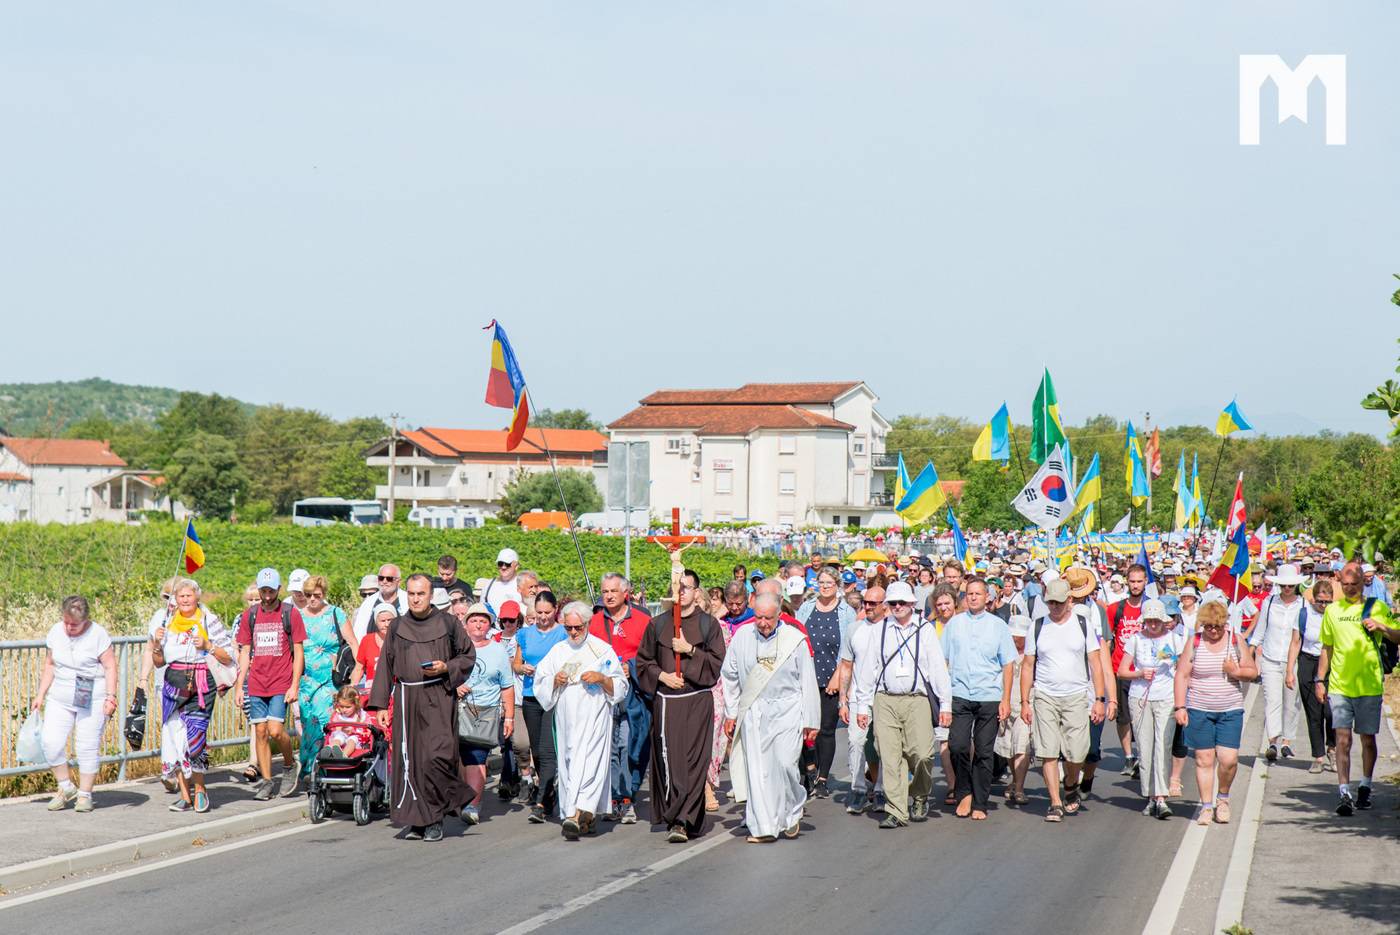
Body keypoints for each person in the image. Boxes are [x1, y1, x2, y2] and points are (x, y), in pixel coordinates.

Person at [367, 573, 476, 842]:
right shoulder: (397, 626)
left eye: (421, 594)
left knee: (437, 757)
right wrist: (381, 703)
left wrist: (446, 667)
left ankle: (437, 815)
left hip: (438, 695)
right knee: (410, 760)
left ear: (430, 596)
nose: (416, 599)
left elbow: (468, 656)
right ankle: (418, 821)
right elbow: (386, 664)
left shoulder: (448, 623)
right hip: (406, 697)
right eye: (412, 594)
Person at [850, 580, 952, 828]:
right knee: (890, 757)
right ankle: (895, 810)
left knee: (922, 755)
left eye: (902, 602)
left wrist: (946, 704)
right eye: (893, 603)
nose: (897, 606)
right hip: (885, 699)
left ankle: (919, 794)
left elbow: (938, 669)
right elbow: (868, 670)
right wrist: (863, 706)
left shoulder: (924, 629)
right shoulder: (879, 630)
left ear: (912, 604)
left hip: (917, 699)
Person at [635, 568, 726, 842]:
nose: (681, 591)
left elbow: (716, 664)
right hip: (669, 702)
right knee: (672, 764)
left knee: (695, 764)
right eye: (677, 586)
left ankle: (685, 820)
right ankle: (677, 819)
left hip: (697, 701)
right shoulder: (658, 624)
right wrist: (663, 676)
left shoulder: (709, 625)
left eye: (686, 587)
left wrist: (691, 651)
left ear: (697, 592)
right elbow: (643, 662)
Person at [722, 593, 820, 843]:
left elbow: (807, 681)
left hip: (788, 709)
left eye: (768, 617)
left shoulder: (794, 640)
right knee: (759, 769)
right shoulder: (742, 637)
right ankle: (764, 826)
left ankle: (793, 810)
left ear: (780, 615)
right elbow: (730, 676)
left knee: (786, 764)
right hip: (755, 711)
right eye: (758, 617)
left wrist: (811, 720)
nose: (763, 622)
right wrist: (731, 713)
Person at [534, 601, 629, 840]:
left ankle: (576, 815)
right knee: (569, 760)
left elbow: (620, 685)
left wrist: (601, 678)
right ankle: (583, 815)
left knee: (590, 762)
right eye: (569, 628)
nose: (574, 633)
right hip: (567, 718)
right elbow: (541, 680)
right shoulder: (558, 650)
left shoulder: (602, 649)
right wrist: (555, 680)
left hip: (595, 715)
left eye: (578, 628)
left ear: (587, 624)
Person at [1020, 578, 1106, 823]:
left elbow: (1096, 663)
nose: (1055, 607)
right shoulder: (1037, 626)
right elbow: (1028, 666)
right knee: (1048, 752)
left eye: (1059, 602)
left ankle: (1070, 784)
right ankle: (1055, 802)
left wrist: (1099, 699)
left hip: (1076, 696)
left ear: (1070, 600)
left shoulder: (1082, 624)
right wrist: (1025, 701)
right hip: (1045, 695)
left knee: (1077, 753)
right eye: (1050, 603)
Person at [1316, 562, 1399, 815]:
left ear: (1364, 582)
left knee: (1367, 739)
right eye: (1345, 585)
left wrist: (1381, 626)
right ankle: (1343, 792)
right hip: (1340, 685)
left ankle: (1364, 784)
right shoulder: (1332, 611)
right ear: (1339, 583)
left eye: (1355, 584)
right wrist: (1320, 680)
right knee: (1342, 739)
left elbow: (1397, 636)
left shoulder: (1377, 607)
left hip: (1369, 684)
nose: (1350, 589)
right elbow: (1327, 648)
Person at [1175, 601, 1257, 826]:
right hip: (1200, 707)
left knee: (1228, 760)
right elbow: (1182, 675)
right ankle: (1206, 806)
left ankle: (1223, 798)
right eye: (1209, 626)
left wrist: (1235, 671)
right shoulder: (1195, 642)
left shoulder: (1235, 640)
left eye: (1217, 627)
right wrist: (1180, 706)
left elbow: (1252, 672)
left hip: (1230, 708)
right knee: (1204, 759)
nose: (1213, 631)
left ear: (1225, 624)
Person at [33, 596, 118, 814]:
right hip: (60, 695)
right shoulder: (55, 632)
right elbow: (50, 664)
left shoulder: (98, 635)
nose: (70, 628)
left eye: (75, 624)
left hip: (92, 695)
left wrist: (110, 696)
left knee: (86, 746)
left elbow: (110, 667)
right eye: (67, 623)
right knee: (50, 742)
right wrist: (40, 694)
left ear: (86, 620)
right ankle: (65, 786)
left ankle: (85, 795)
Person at [942, 578, 1016, 821]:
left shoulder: (998, 626)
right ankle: (963, 791)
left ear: (987, 598)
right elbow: (943, 661)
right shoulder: (954, 624)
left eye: (978, 594)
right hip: (960, 693)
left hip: (989, 695)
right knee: (958, 745)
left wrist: (1005, 699)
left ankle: (980, 801)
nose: (973, 597)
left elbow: (1007, 664)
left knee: (984, 751)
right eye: (969, 594)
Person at [234, 568, 306, 800]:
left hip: (280, 681)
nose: (266, 595)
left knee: (276, 730)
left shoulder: (290, 613)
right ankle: (266, 781)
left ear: (278, 589)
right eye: (263, 590)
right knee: (261, 731)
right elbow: (245, 650)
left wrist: (294, 684)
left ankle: (288, 764)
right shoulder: (251, 615)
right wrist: (239, 685)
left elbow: (298, 650)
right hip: (256, 683)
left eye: (271, 591)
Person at [587, 573, 652, 824]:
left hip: (634, 693)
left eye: (614, 591)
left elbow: (652, 654)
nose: (609, 596)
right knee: (610, 747)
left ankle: (630, 789)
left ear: (626, 593)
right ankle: (619, 797)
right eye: (605, 592)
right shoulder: (593, 622)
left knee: (630, 744)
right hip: (603, 693)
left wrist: (632, 666)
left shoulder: (643, 620)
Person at [1117, 599, 1183, 820]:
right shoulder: (1136, 640)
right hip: (1140, 698)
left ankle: (1162, 797)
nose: (1153, 625)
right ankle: (1150, 796)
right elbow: (1122, 671)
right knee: (1145, 746)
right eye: (1149, 621)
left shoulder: (1174, 639)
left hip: (1166, 697)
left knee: (1162, 745)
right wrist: (1139, 673)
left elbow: (1184, 668)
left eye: (1156, 620)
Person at [794, 568, 855, 798]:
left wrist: (838, 677)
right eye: (822, 582)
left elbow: (848, 648)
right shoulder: (807, 608)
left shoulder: (846, 612)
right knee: (806, 728)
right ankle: (809, 769)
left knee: (826, 730)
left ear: (837, 584)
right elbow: (797, 637)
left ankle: (822, 778)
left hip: (832, 676)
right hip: (807, 675)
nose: (825, 586)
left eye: (830, 582)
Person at [458, 603, 514, 826]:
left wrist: (508, 716)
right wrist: (455, 687)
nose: (478, 624)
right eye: (474, 620)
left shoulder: (498, 650)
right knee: (462, 758)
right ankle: (467, 796)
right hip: (459, 709)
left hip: (486, 710)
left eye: (483, 620)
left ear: (490, 624)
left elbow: (507, 686)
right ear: (466, 624)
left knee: (477, 757)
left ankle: (473, 804)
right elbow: (445, 675)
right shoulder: (456, 649)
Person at [296, 575, 357, 778]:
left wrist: (357, 676)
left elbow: (353, 644)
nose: (312, 599)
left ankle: (318, 766)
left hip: (330, 678)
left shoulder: (335, 614)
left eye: (317, 595)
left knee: (322, 719)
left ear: (324, 594)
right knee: (308, 723)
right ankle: (308, 766)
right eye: (308, 595)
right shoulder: (297, 616)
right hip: (306, 679)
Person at [515, 590, 567, 823]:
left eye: (547, 612)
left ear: (555, 610)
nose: (543, 617)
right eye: (539, 613)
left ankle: (543, 799)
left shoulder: (563, 633)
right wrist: (522, 668)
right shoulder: (525, 634)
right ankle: (549, 790)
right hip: (530, 696)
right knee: (536, 749)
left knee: (547, 750)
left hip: (554, 697)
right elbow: (516, 663)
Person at [1249, 564, 1306, 762]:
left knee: (1291, 703)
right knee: (1272, 700)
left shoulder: (1303, 604)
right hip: (1270, 658)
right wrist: (1251, 649)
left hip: (1295, 660)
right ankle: (1272, 741)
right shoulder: (1270, 602)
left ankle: (1287, 742)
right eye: (1283, 585)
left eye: (1290, 585)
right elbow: (1260, 629)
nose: (1287, 588)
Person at [838, 584, 886, 815]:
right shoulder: (854, 629)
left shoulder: (891, 628)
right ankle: (857, 789)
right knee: (856, 742)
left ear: (884, 605)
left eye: (873, 603)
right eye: (865, 602)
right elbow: (846, 666)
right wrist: (843, 700)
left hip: (886, 697)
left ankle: (881, 790)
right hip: (858, 697)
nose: (867, 606)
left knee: (884, 745)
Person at [1107, 564, 1150, 777]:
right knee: (1123, 718)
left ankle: (1143, 755)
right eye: (1132, 581)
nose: (1135, 585)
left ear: (1145, 582)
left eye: (1139, 581)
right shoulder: (1116, 609)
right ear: (1127, 582)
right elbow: (1108, 641)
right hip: (1120, 671)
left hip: (1145, 672)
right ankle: (1128, 757)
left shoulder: (1152, 607)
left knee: (1143, 717)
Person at [1289, 578, 1336, 774]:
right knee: (1314, 712)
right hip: (1308, 662)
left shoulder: (1335, 614)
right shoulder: (1303, 614)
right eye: (1320, 601)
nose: (1323, 605)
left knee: (1331, 711)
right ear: (1313, 599)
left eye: (1327, 602)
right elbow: (1295, 642)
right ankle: (1317, 756)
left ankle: (1332, 749)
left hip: (1332, 663)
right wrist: (1289, 670)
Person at [996, 614, 1034, 808]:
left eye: (1019, 635)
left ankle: (1019, 787)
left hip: (1026, 704)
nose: (1015, 639)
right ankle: (1014, 779)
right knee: (1008, 746)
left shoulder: (1033, 655)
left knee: (1022, 744)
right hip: (1006, 703)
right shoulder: (1003, 653)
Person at [353, 564, 407, 641]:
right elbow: (359, 631)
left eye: (389, 579)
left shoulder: (407, 600)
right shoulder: (369, 603)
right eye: (381, 578)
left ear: (399, 582)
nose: (384, 581)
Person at [351, 605, 395, 696]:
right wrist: (352, 690)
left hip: (395, 691)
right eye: (382, 621)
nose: (386, 624)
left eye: (389, 620)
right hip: (371, 691)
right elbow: (359, 668)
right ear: (376, 622)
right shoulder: (367, 640)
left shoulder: (400, 640)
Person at [324, 686, 375, 758]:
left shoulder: (360, 715)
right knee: (337, 738)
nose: (344, 710)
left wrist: (355, 731)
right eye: (341, 706)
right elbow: (331, 727)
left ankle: (344, 755)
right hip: (341, 735)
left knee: (352, 740)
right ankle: (330, 749)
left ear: (356, 704)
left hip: (354, 736)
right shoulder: (338, 714)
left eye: (348, 707)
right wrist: (338, 728)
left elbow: (368, 727)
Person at [482, 548, 523, 614]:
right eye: (500, 564)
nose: (503, 567)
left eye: (507, 564)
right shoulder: (489, 585)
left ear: (516, 566)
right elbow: (482, 609)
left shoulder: (523, 584)